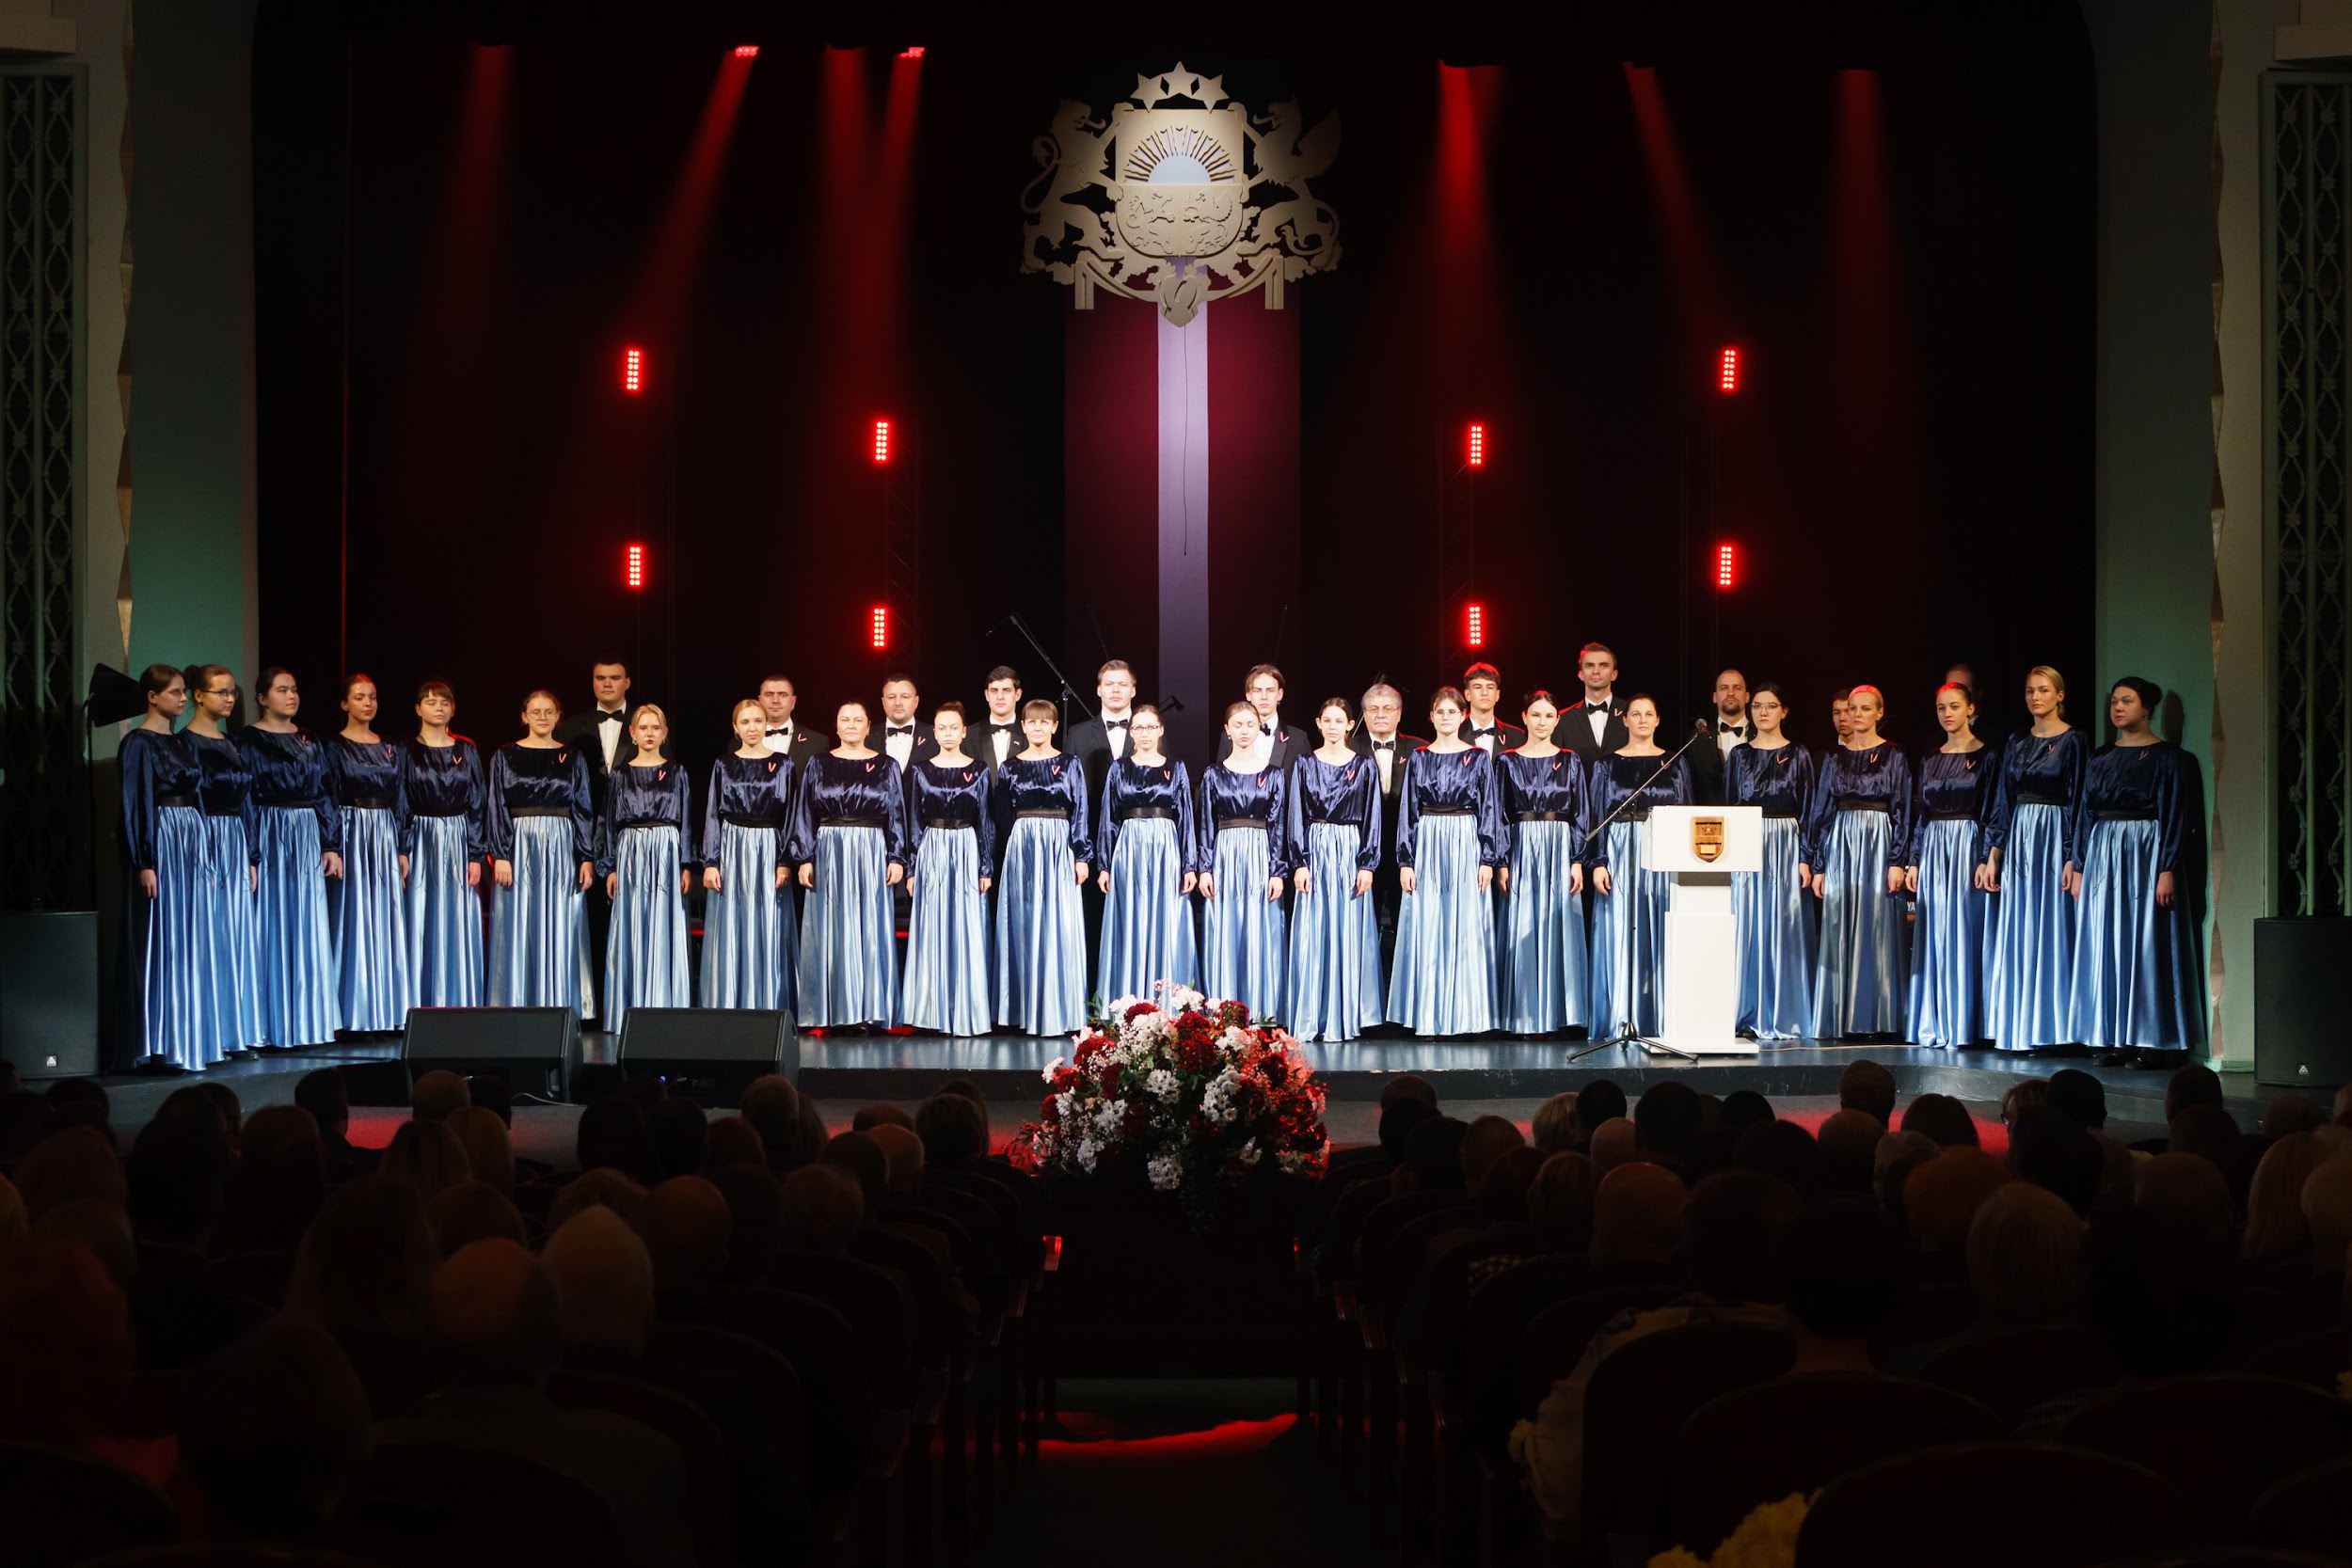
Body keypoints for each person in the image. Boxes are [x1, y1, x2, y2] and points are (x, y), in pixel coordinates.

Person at [2070, 677, 2205, 1065]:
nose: (2118, 708)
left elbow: (2177, 816)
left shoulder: (2170, 758)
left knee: (2145, 941)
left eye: (2127, 701)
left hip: (2145, 850)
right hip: (2104, 851)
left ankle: (2152, 1037)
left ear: (2147, 709)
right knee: (2108, 941)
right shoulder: (2099, 757)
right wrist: (2079, 865)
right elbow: (2084, 813)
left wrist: (2168, 869)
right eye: (2114, 702)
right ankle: (2117, 1035)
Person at [122, 665, 241, 1072]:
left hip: (191, 839)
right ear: (153, 697)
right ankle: (162, 1039)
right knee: (169, 937)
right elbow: (136, 802)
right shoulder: (139, 742)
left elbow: (199, 798)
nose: (182, 699)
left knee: (193, 935)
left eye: (182, 692)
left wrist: (206, 849)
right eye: (174, 693)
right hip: (165, 840)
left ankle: (195, 1035)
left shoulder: (179, 743)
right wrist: (144, 861)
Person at [1389, 687, 1504, 1036]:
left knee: (1465, 924)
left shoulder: (1478, 757)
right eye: (1439, 712)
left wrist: (1488, 857)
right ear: (1431, 716)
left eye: (1452, 712)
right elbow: (1408, 810)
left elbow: (1489, 810)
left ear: (1462, 716)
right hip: (1428, 839)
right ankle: (1429, 1012)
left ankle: (1467, 1014)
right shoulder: (1419, 757)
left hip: (1466, 840)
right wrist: (1405, 861)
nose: (1445, 718)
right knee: (1429, 922)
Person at [238, 667, 342, 1053]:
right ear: (263, 697)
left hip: (305, 831)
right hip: (269, 828)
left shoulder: (309, 739)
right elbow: (244, 795)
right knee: (271, 921)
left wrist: (330, 844)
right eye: (282, 690)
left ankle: (308, 1021)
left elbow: (324, 792)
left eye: (295, 690)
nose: (291, 696)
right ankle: (268, 1024)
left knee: (307, 923)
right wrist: (251, 849)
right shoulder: (247, 740)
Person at [1984, 666, 2087, 1052]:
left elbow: (2079, 802)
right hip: (2021, 839)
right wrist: (1993, 853)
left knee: (2052, 928)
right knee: (2020, 927)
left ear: (2060, 695)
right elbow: (2003, 800)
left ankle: (2056, 1028)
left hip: (2053, 836)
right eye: (2029, 690)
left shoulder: (2074, 741)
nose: (2035, 697)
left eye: (2044, 690)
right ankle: (2021, 1026)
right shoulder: (2016, 741)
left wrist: (2072, 857)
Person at [788, 702, 909, 1031]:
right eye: (845, 719)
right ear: (836, 726)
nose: (852, 724)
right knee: (830, 927)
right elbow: (805, 813)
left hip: (871, 849)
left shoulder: (887, 765)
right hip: (829, 849)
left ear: (869, 726)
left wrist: (897, 857)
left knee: (870, 928)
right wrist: (805, 857)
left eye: (858, 719)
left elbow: (896, 814)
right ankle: (828, 1010)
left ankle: (868, 1010)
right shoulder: (818, 763)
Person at [1806, 684, 1913, 1039]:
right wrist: (1818, 864)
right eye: (1852, 708)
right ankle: (1841, 1017)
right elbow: (1821, 811)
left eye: (1866, 709)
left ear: (1879, 713)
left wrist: (1898, 859)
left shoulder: (1894, 754)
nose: (1857, 715)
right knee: (1840, 924)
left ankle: (1877, 1017)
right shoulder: (1834, 758)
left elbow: (1903, 809)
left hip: (1879, 841)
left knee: (1878, 926)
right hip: (1841, 842)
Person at [1585, 694, 1693, 1038]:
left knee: (1661, 932)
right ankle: (1622, 1014)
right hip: (1620, 851)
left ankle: (1662, 1017)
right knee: (1620, 930)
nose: (1643, 719)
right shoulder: (1606, 765)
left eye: (1649, 713)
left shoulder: (1675, 763)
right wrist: (1598, 862)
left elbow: (1688, 813)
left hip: (1664, 850)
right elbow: (1596, 815)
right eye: (1636, 713)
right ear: (1626, 720)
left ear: (1658, 720)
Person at [485, 689, 597, 1017]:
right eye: (536, 711)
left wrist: (586, 856)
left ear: (558, 716)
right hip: (519, 843)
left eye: (549, 711)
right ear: (524, 716)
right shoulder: (505, 756)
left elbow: (583, 808)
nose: (542, 717)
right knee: (518, 918)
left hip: (561, 843)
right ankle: (517, 999)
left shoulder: (573, 757)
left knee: (562, 918)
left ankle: (561, 1000)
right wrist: (501, 853)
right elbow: (496, 805)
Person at [180, 664, 266, 1061]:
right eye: (220, 693)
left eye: (232, 692)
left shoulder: (234, 744)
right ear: (199, 695)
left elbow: (247, 800)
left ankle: (237, 1032)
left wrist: (251, 853)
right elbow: (189, 800)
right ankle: (208, 1032)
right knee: (209, 936)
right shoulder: (185, 743)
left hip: (234, 839)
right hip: (206, 838)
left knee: (236, 936)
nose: (229, 699)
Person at [993, 699, 1091, 1033]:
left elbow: (1080, 810)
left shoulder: (1070, 764)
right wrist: (1017, 845)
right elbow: (1002, 815)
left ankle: (1060, 1009)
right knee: (1023, 921)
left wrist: (1081, 855)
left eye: (1044, 722)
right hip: (1023, 846)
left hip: (1059, 843)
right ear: (1024, 726)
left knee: (1058, 924)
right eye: (1031, 722)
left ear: (1053, 726)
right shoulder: (1009, 767)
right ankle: (1022, 1008)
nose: (1037, 728)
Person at [1287, 697, 1382, 1040]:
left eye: (1339, 720)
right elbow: (1295, 813)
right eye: (1326, 720)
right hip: (1315, 848)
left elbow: (1373, 817)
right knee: (1315, 933)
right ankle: (1314, 1014)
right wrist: (1299, 861)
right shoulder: (1304, 764)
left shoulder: (1364, 765)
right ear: (1318, 723)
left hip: (1349, 849)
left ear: (1349, 724)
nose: (1332, 726)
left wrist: (1367, 863)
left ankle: (1346, 1015)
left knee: (1347, 932)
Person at [1907, 681, 1996, 1048]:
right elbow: (1920, 813)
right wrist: (1913, 860)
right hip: (1934, 847)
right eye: (1942, 707)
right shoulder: (1929, 757)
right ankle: (1936, 1020)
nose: (1947, 713)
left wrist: (1985, 856)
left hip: (1967, 843)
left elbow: (1995, 810)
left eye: (1955, 706)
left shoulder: (1988, 756)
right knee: (1934, 933)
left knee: (1964, 931)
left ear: (1971, 709)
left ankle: (1966, 1023)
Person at [1724, 681, 1816, 1039]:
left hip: (1787, 843)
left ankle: (1785, 1012)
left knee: (1784, 926)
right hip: (1748, 842)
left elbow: (1810, 808)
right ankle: (1744, 1010)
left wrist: (1806, 858)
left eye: (1771, 706)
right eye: (1758, 706)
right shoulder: (1739, 755)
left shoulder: (1799, 754)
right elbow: (1730, 808)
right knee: (1748, 925)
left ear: (1784, 711)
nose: (1763, 712)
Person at [1496, 691, 1589, 1036]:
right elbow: (1499, 815)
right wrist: (1502, 862)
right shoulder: (1506, 761)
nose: (1541, 722)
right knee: (1522, 924)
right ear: (1524, 717)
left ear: (1557, 720)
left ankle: (1560, 1013)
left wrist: (1577, 860)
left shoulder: (1570, 760)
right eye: (1535, 715)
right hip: (1521, 845)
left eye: (1548, 716)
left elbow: (1581, 812)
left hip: (1559, 845)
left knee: (1559, 924)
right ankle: (1523, 1016)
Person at [596, 705, 692, 1036]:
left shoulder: (677, 772)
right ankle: (629, 1006)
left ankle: (665, 1007)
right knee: (632, 923)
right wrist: (608, 866)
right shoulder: (620, 775)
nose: (650, 733)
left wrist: (684, 863)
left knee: (665, 924)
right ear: (633, 733)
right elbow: (607, 823)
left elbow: (685, 821)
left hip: (666, 850)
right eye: (643, 727)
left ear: (664, 734)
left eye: (656, 727)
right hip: (630, 850)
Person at [902, 703, 995, 1035]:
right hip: (932, 846)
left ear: (963, 731)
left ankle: (967, 1010)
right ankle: (931, 1011)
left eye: (953, 728)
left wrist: (986, 867)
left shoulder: (981, 769)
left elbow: (985, 819)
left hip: (967, 846)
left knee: (967, 928)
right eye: (941, 728)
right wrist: (911, 868)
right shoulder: (920, 770)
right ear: (935, 732)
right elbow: (912, 819)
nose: (947, 734)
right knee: (932, 928)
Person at [324, 673, 409, 1033]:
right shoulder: (333, 746)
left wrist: (403, 846)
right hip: (351, 831)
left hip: (385, 832)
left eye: (372, 697)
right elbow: (327, 795)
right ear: (345, 704)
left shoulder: (391, 747)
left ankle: (386, 1012)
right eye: (359, 697)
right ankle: (353, 1013)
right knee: (353, 918)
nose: (368, 703)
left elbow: (401, 795)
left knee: (385, 920)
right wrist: (332, 844)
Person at [1096, 705, 1199, 1000]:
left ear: (1161, 730)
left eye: (1150, 727)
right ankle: (1129, 999)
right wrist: (1104, 864)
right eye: (1138, 728)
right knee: (1131, 920)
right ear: (1131, 732)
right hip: (1129, 848)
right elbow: (1109, 816)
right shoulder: (1119, 768)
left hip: (1166, 847)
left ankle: (1167, 998)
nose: (1144, 733)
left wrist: (1189, 864)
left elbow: (1186, 817)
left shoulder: (1176, 767)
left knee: (1165, 920)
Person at [700, 699, 796, 1013]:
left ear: (766, 723)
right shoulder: (723, 764)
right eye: (745, 722)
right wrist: (711, 861)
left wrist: (784, 860)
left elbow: (791, 816)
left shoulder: (783, 764)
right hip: (732, 846)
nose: (752, 727)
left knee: (768, 922)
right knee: (733, 922)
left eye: (758, 721)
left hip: (769, 846)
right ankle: (731, 1000)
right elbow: (713, 814)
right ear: (735, 727)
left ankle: (769, 1001)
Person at [1200, 701, 1290, 1018]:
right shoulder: (1213, 774)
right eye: (1236, 724)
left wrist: (1278, 871)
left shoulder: (1275, 775)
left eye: (1249, 724)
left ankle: (1260, 1007)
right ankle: (1224, 1007)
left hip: (1260, 854)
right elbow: (1206, 823)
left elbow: (1279, 824)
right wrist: (1205, 868)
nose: (1243, 730)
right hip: (1225, 853)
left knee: (1259, 927)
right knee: (1226, 928)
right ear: (1227, 729)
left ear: (1259, 728)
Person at [401, 680, 487, 1008]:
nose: (438, 707)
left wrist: (477, 853)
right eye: (431, 701)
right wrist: (403, 848)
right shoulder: (406, 750)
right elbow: (402, 801)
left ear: (453, 709)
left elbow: (478, 802)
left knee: (457, 915)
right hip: (422, 838)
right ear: (418, 709)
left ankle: (457, 996)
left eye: (445, 702)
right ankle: (419, 999)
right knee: (420, 914)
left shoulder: (466, 750)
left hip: (457, 839)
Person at [1351, 683, 1427, 992]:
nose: (1380, 715)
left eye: (1387, 709)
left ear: (1399, 714)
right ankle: (1361, 1000)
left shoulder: (1420, 749)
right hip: (1358, 853)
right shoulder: (1349, 747)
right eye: (1373, 709)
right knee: (1359, 927)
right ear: (1364, 714)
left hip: (1407, 853)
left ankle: (1406, 999)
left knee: (1407, 925)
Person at [1064, 657, 1141, 786]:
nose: (1116, 690)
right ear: (1099, 690)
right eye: (1109, 684)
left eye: (1123, 684)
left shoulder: (1150, 731)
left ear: (1133, 691)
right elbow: (1067, 785)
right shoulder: (1077, 734)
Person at [1214, 663, 1307, 768]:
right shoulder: (1230, 736)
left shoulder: (1298, 739)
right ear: (1248, 695)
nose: (1264, 697)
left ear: (1280, 694)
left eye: (1270, 691)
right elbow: (1221, 779)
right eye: (1257, 691)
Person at [1689, 667, 1752, 807]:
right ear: (1715, 697)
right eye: (1724, 688)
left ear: (1747, 696)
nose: (1730, 693)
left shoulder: (1760, 735)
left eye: (1737, 688)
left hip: (1754, 822)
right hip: (1710, 823)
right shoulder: (1696, 739)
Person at [1561, 643, 1629, 764]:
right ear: (1580, 674)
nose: (1596, 671)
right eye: (1589, 666)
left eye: (1603, 665)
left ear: (1614, 674)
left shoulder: (1631, 712)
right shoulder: (1563, 719)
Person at [755, 673, 829, 765]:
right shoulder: (738, 743)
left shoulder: (817, 743)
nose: (775, 700)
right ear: (759, 701)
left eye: (783, 695)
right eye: (769, 695)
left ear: (793, 702)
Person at [877, 672, 939, 772]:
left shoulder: (935, 736)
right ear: (883, 702)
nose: (898, 703)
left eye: (905, 697)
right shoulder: (867, 737)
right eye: (891, 697)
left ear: (916, 701)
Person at [1460, 663, 1527, 754]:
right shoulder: (1455, 733)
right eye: (1478, 687)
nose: (1484, 693)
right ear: (1467, 694)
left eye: (1490, 687)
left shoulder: (1516, 737)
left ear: (1497, 695)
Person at [977, 666, 1024, 770]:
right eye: (994, 691)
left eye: (1006, 691)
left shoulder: (1030, 734)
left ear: (1018, 694)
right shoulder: (969, 736)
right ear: (987, 695)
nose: (1000, 697)